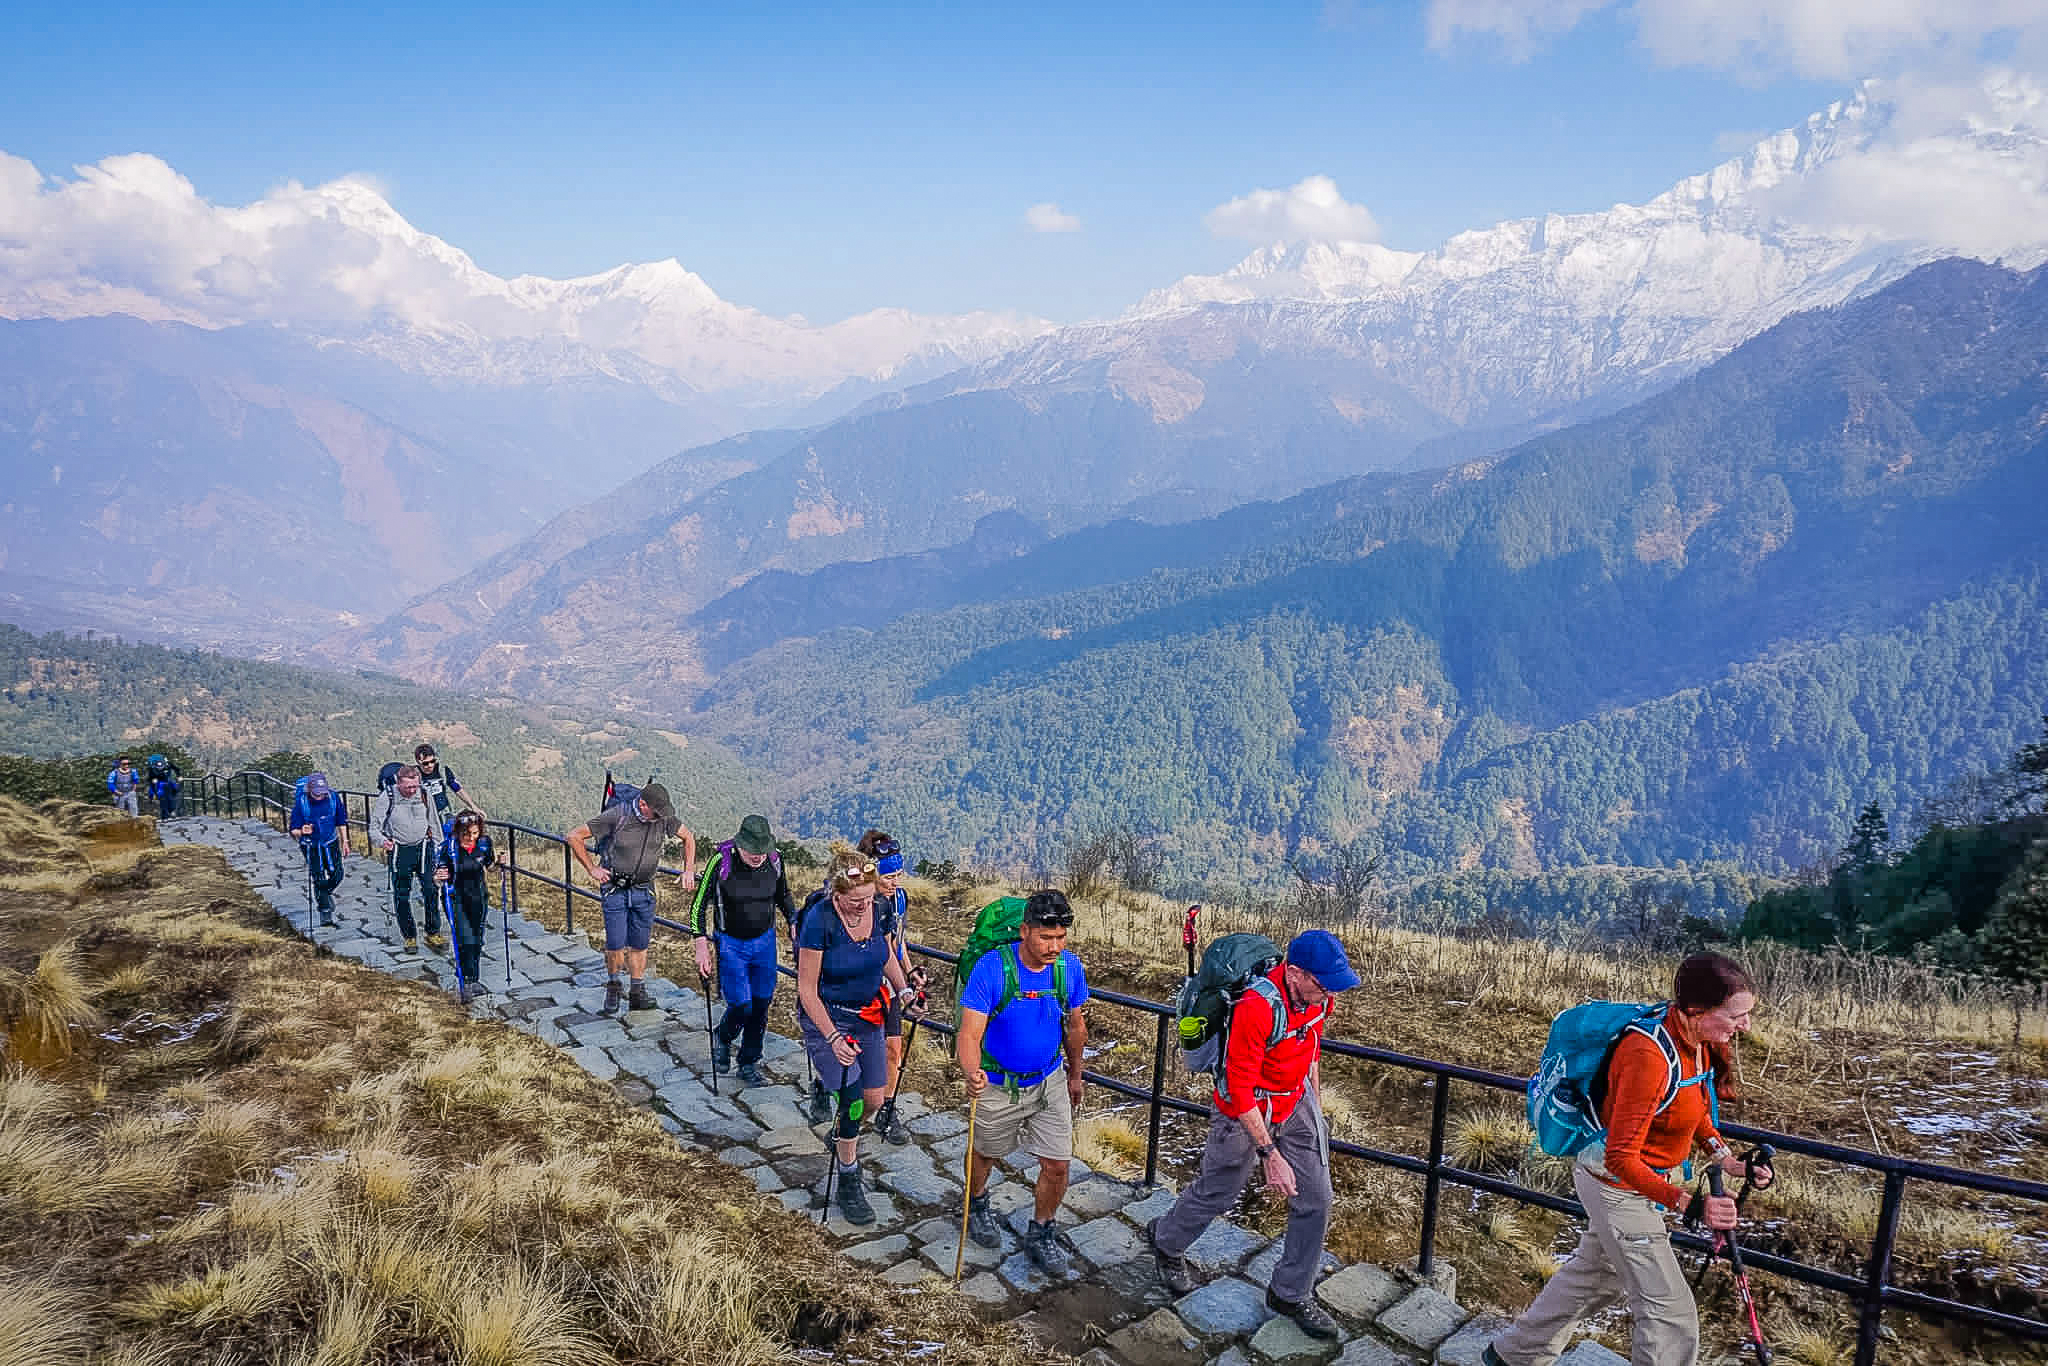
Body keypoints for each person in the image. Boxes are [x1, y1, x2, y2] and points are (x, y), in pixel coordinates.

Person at [1484, 953, 1771, 1366]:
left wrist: (1728, 1160)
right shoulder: (1647, 1056)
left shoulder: (1695, 1042)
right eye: (1736, 1015)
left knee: (1594, 1278)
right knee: (1670, 1315)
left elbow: (1692, 1109)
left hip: (1637, 1183)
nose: (1745, 1025)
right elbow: (1621, 1158)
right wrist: (1690, 1205)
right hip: (1615, 1186)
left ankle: (1513, 1355)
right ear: (1697, 1010)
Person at [1149, 929, 1358, 1341]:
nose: (1330, 993)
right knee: (1220, 1190)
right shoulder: (1257, 1008)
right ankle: (1167, 1242)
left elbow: (1312, 1049)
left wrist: (1314, 1107)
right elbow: (1239, 1088)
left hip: (1293, 1099)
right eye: (1323, 984)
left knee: (1316, 1198)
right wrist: (1270, 1154)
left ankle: (1290, 1294)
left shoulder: (1319, 998)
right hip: (1244, 1108)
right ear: (1295, 973)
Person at [956, 889, 1090, 1275]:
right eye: (1046, 937)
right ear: (1024, 930)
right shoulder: (991, 969)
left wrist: (1075, 1075)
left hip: (1049, 1080)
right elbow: (969, 1034)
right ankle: (976, 1202)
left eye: (1061, 937)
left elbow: (1076, 1027)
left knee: (1058, 1164)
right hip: (997, 1084)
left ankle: (1042, 1230)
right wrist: (972, 1072)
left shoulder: (1069, 968)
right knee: (985, 1154)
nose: (1054, 947)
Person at [796, 847, 911, 1227]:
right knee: (853, 1100)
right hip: (828, 1020)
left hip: (868, 1015)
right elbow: (806, 989)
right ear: (836, 893)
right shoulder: (820, 921)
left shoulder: (879, 909)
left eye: (868, 897)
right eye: (855, 900)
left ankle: (842, 1134)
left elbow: (886, 953)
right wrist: (832, 1038)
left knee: (874, 1099)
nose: (864, 905)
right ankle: (849, 1176)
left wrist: (905, 990)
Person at [567, 782, 693, 1015]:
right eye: (656, 813)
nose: (660, 818)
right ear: (643, 804)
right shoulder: (618, 815)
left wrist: (688, 870)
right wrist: (592, 869)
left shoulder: (663, 818)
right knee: (615, 944)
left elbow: (688, 837)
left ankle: (637, 992)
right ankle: (614, 986)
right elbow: (574, 836)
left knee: (639, 944)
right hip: (615, 889)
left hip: (645, 890)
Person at [692, 814, 796, 1089]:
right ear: (739, 844)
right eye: (752, 850)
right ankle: (723, 1036)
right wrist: (700, 944)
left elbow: (783, 895)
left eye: (762, 849)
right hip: (731, 943)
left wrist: (794, 920)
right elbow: (698, 905)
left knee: (761, 1005)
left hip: (765, 941)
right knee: (741, 1005)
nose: (758, 856)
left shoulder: (775, 860)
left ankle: (748, 1062)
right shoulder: (720, 861)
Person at [859, 828, 928, 1145]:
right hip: (860, 985)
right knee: (854, 1050)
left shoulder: (899, 899)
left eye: (899, 875)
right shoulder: (859, 902)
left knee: (893, 1048)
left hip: (889, 985)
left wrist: (909, 971)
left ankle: (886, 1109)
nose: (895, 882)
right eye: (888, 876)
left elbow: (897, 943)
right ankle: (835, 1095)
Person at [371, 763, 442, 953]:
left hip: (424, 847)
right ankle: (409, 936)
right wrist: (383, 842)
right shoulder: (388, 796)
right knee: (402, 894)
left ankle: (433, 931)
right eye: (408, 787)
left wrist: (440, 849)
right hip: (399, 850)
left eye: (415, 786)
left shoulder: (424, 793)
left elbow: (434, 821)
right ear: (398, 782)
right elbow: (374, 828)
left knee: (431, 889)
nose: (412, 790)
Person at [434, 810, 497, 1004]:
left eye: (475, 833)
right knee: (465, 939)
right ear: (458, 831)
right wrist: (439, 877)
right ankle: (466, 981)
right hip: (455, 897)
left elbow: (490, 866)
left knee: (477, 939)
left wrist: (501, 864)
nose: (471, 838)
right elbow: (437, 877)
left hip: (479, 896)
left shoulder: (484, 844)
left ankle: (473, 978)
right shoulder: (448, 848)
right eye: (466, 833)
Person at [288, 772, 353, 927]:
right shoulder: (302, 803)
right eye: (317, 794)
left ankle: (324, 893)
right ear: (309, 790)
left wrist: (345, 841)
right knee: (318, 878)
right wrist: (302, 831)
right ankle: (325, 915)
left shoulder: (333, 798)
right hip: (311, 845)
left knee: (338, 874)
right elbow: (293, 830)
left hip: (331, 842)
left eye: (322, 793)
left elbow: (341, 820)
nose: (320, 796)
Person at [413, 743, 486, 830]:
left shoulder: (442, 770)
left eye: (432, 761)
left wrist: (473, 807)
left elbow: (457, 788)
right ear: (418, 762)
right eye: (425, 763)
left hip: (444, 815)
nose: (430, 765)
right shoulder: (413, 774)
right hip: (424, 817)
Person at [145, 753, 181, 820]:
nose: (160, 768)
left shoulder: (168, 764)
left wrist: (179, 776)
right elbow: (149, 779)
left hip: (167, 782)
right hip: (158, 784)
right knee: (162, 798)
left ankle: (172, 811)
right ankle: (165, 815)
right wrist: (153, 783)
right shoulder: (151, 768)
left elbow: (177, 769)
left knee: (172, 795)